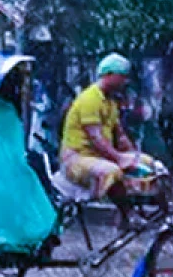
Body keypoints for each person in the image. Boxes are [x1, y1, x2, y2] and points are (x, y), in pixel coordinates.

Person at [60, 54, 159, 228]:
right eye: (122, 76)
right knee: (112, 170)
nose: (125, 81)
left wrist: (134, 156)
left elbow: (119, 135)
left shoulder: (111, 101)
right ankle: (127, 215)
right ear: (109, 74)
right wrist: (120, 158)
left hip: (100, 155)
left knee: (151, 164)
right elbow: (96, 138)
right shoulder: (89, 99)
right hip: (77, 159)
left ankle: (164, 214)